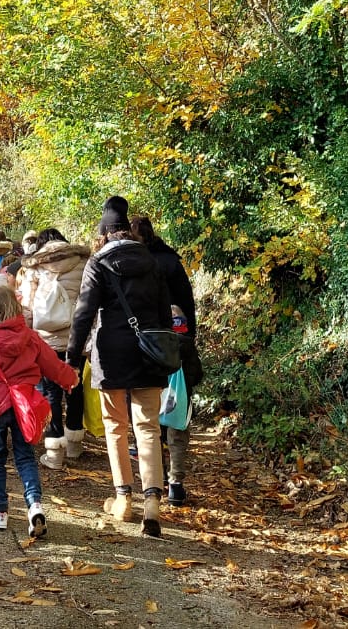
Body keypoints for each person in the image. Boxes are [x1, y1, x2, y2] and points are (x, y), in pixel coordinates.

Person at [66, 195, 174, 537]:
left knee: (115, 425)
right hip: (148, 352)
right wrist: (167, 351)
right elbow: (163, 312)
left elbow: (84, 314)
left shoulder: (97, 263)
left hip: (111, 352)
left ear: (105, 231)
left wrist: (71, 357)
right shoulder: (152, 262)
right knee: (148, 428)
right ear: (128, 229)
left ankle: (123, 499)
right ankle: (153, 503)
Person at [0, 285, 79, 537]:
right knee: (25, 457)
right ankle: (34, 504)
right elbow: (52, 364)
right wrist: (70, 379)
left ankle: (1, 512)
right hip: (23, 406)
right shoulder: (30, 337)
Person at [131, 215, 204, 506]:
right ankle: (176, 483)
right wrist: (189, 341)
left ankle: (156, 478)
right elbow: (188, 303)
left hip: (148, 345)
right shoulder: (172, 261)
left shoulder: (137, 264)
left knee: (151, 417)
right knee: (178, 419)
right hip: (179, 346)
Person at [18, 227, 91, 469]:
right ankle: (74, 446)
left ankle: (54, 452)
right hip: (75, 340)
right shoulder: (82, 263)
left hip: (45, 340)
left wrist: (27, 337)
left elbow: (27, 306)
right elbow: (90, 303)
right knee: (75, 387)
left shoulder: (35, 266)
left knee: (50, 393)